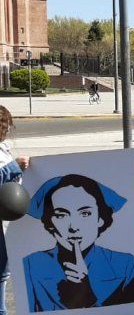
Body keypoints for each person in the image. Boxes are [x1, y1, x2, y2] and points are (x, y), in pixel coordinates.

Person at [23, 174, 134, 311]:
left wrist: (88, 298)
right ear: (49, 222)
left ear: (100, 218)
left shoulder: (125, 264)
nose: (73, 227)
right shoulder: (31, 265)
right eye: (61, 215)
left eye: (85, 214)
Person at [0, 105, 29, 315]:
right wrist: (13, 167)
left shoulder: (3, 148)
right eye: (7, 126)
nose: (8, 131)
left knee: (3, 270)